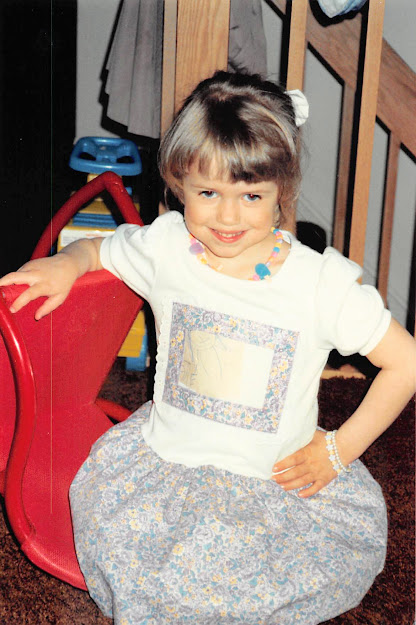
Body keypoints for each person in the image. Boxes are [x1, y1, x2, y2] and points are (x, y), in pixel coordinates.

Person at [0, 71, 415, 625]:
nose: (227, 216)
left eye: (251, 195)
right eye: (208, 193)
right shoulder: (169, 247)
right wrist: (66, 262)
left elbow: (406, 362)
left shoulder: (319, 284)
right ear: (178, 183)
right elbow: (104, 249)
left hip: (273, 486)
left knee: (251, 590)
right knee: (148, 571)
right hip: (168, 470)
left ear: (283, 189)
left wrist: (341, 449)